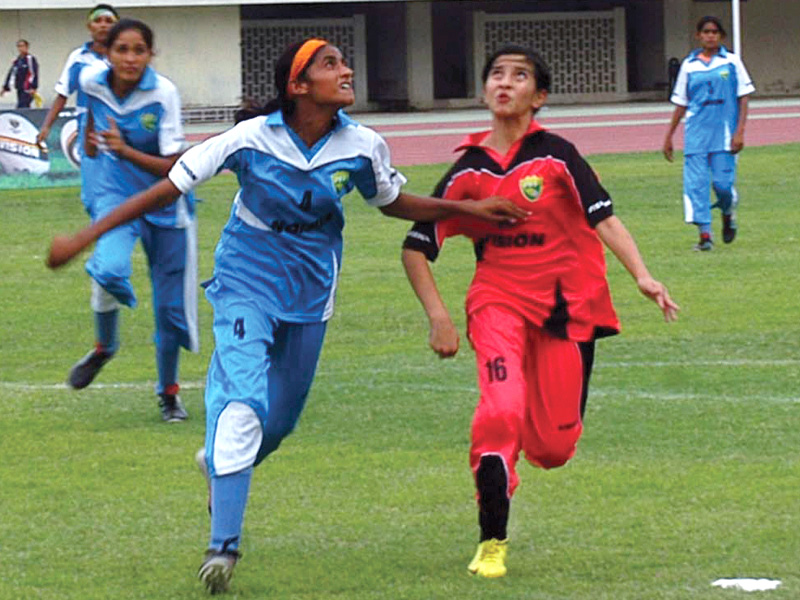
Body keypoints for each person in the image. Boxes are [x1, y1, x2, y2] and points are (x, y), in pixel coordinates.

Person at [45, 38, 529, 594]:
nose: (346, 69)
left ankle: (220, 465)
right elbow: (168, 187)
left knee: (277, 424)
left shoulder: (362, 145)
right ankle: (222, 547)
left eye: (344, 61)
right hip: (244, 283)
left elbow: (392, 201)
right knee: (243, 402)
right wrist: (86, 236)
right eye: (330, 64)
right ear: (298, 86)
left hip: (310, 295)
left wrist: (466, 209)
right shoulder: (248, 139)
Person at [401, 45, 679, 579]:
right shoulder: (468, 172)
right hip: (495, 303)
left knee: (553, 447)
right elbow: (417, 245)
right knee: (501, 411)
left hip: (564, 312)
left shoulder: (556, 156)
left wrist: (643, 276)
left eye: (520, 75)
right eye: (497, 75)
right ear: (485, 91)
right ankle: (492, 536)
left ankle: (512, 457)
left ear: (540, 96)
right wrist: (438, 316)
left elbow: (604, 218)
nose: (505, 83)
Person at [67, 18, 198, 423]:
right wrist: (90, 146)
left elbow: (175, 168)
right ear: (105, 52)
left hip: (166, 205)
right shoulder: (90, 82)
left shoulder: (163, 93)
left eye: (138, 50)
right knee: (107, 269)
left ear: (150, 54)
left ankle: (169, 395)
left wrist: (123, 151)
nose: (129, 58)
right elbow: (89, 146)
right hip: (116, 199)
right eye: (120, 49)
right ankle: (104, 347)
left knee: (170, 311)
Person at [662, 16, 755, 251]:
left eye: (714, 32)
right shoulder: (689, 65)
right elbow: (682, 103)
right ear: (698, 36)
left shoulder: (731, 62)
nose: (710, 35)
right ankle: (705, 236)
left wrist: (740, 131)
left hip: (723, 135)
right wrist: (669, 136)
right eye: (705, 31)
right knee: (696, 185)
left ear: (721, 36)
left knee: (722, 185)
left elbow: (744, 97)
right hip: (696, 136)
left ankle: (727, 212)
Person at [36, 4, 118, 212]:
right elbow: (63, 94)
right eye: (98, 20)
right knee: (91, 196)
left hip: (119, 125)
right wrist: (46, 127)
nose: (103, 25)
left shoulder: (123, 56)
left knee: (119, 187)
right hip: (87, 127)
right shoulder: (78, 57)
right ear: (89, 26)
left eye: (109, 21)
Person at [1, 40, 39, 109]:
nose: (20, 48)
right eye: (19, 46)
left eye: (22, 46)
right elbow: (12, 74)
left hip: (27, 88)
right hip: (19, 88)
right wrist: (5, 87)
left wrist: (33, 87)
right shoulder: (17, 61)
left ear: (27, 47)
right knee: (22, 106)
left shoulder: (30, 59)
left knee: (22, 106)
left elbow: (34, 73)